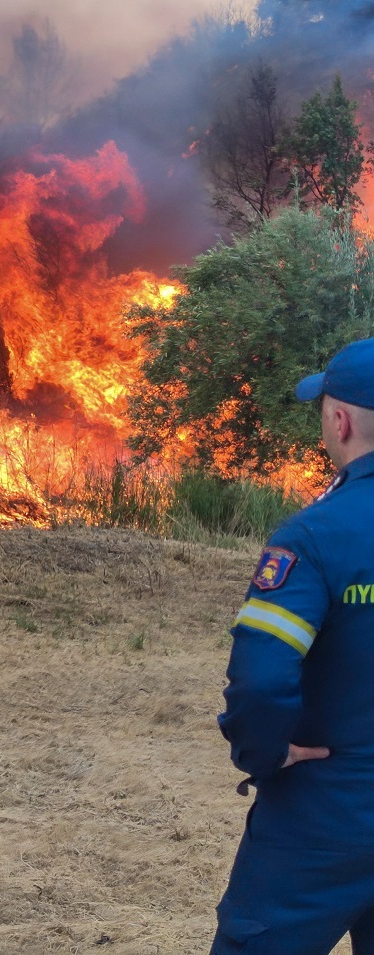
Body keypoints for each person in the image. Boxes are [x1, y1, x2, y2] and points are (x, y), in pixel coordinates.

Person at [211, 337, 374, 953]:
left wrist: (264, 752)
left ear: (341, 419)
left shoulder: (314, 535)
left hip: (325, 814)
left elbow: (260, 678)